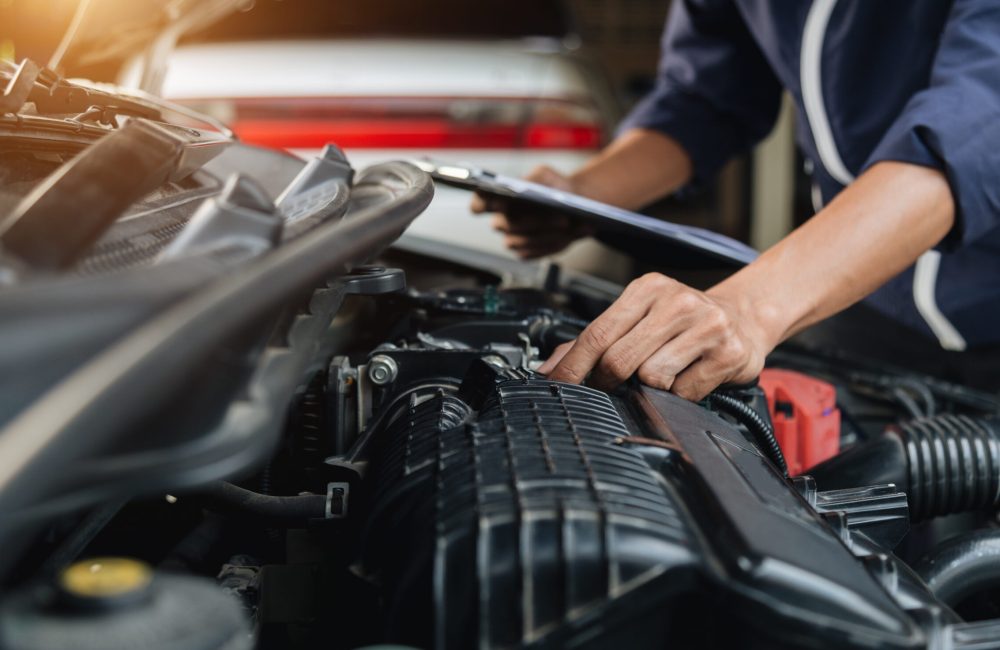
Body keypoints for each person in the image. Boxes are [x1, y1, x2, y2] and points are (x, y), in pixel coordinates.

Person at [471, 1, 1000, 399]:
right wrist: (584, 196)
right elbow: (705, 97)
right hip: (869, 306)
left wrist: (747, 307)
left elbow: (978, 119)